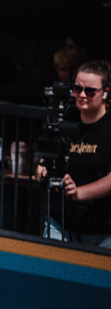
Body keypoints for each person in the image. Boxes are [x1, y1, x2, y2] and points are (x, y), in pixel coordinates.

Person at [39, 60, 111, 246]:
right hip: (60, 219)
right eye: (77, 88)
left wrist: (79, 192)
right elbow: (45, 152)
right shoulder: (65, 119)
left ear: (105, 93)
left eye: (90, 91)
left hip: (101, 229)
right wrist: (42, 165)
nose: (82, 95)